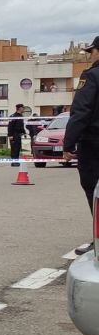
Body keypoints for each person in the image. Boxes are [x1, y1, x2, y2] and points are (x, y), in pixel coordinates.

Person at [64, 36, 99, 247]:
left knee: (94, 190)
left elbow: (81, 112)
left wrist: (68, 144)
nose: (90, 56)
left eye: (91, 51)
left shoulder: (92, 76)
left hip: (94, 143)